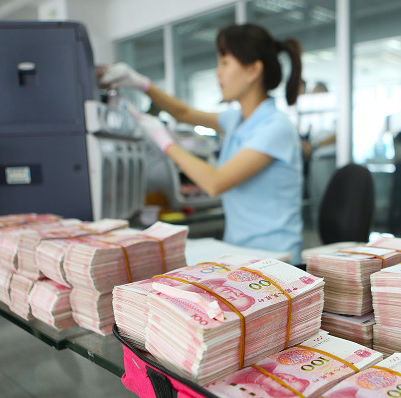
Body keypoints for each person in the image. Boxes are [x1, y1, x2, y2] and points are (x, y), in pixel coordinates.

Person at [99, 24, 304, 263]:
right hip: (241, 252)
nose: (218, 73)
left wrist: (164, 140)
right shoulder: (236, 120)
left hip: (277, 257)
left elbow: (215, 183)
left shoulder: (276, 126)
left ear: (253, 70)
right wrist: (141, 83)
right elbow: (183, 113)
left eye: (225, 63)